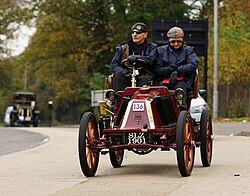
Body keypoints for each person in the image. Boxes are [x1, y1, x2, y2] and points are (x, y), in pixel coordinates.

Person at [153, 26, 198, 109]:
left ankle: (181, 110)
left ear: (182, 40)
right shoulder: (160, 51)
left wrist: (177, 71)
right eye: (173, 42)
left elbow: (192, 65)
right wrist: (168, 70)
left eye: (179, 41)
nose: (176, 44)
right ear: (169, 41)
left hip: (183, 80)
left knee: (180, 89)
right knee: (160, 93)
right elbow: (157, 70)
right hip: (163, 81)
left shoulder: (189, 50)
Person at [111, 22, 157, 92]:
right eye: (133, 33)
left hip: (143, 75)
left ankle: (143, 101)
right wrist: (124, 72)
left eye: (138, 33)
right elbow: (114, 64)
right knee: (118, 76)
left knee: (145, 82)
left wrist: (138, 58)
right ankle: (119, 100)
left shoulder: (152, 47)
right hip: (127, 74)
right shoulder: (123, 47)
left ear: (145, 34)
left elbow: (152, 59)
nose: (135, 35)